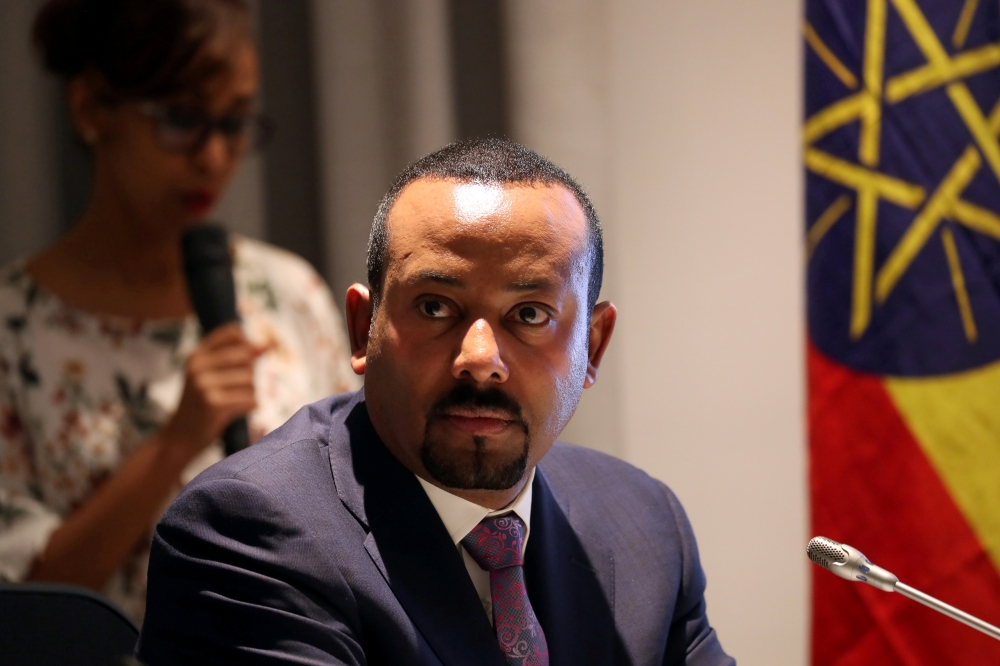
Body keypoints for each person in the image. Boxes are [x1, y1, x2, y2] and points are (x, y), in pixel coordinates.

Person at [137, 138, 735, 665]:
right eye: (434, 308)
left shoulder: (645, 526)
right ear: (363, 326)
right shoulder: (247, 534)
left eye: (529, 315)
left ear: (593, 347)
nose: (481, 357)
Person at [0, 0, 358, 623]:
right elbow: (27, 602)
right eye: (181, 119)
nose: (214, 157)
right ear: (91, 108)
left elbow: (357, 522)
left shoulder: (289, 292)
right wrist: (175, 443)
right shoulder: (14, 327)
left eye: (235, 122)